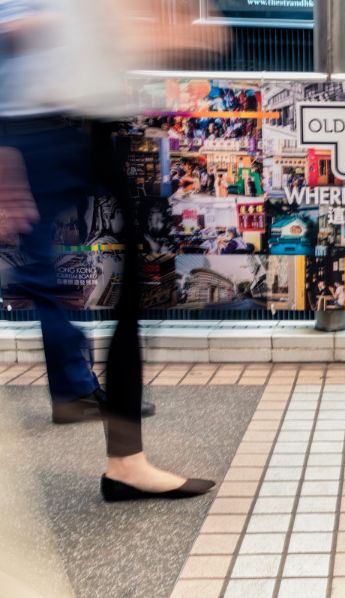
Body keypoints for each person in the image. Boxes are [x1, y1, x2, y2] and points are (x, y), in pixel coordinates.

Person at [0, 0, 226, 500]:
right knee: (106, 286)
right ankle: (117, 450)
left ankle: (110, 439)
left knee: (128, 285)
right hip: (44, 130)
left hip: (80, 129)